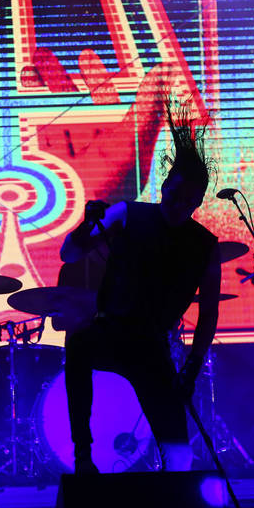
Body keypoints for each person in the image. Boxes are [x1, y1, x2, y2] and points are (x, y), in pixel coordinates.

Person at [60, 109, 221, 473]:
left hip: (151, 346)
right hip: (110, 330)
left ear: (198, 203)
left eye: (190, 201)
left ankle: (175, 498)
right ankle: (83, 457)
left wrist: (191, 370)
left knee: (179, 454)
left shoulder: (205, 245)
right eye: (176, 194)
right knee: (79, 343)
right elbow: (68, 254)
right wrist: (87, 226)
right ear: (165, 186)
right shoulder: (127, 214)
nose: (180, 205)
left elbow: (209, 314)